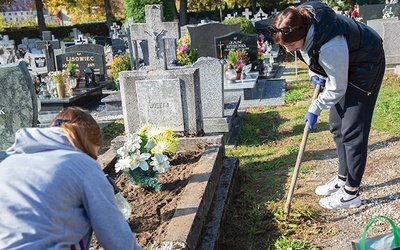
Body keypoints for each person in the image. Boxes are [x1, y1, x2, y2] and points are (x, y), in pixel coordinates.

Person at [269, 1, 385, 209]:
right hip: (345, 62)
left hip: (366, 64)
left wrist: (315, 107)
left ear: (302, 33)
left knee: (352, 130)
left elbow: (337, 87)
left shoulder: (330, 44)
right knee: (337, 125)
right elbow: (310, 54)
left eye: (291, 45)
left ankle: (351, 193)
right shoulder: (301, 25)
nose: (288, 51)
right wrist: (316, 73)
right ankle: (342, 177)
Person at [0, 106, 142, 249]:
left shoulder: (8, 164)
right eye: (94, 155)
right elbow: (116, 238)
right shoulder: (82, 165)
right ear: (90, 145)